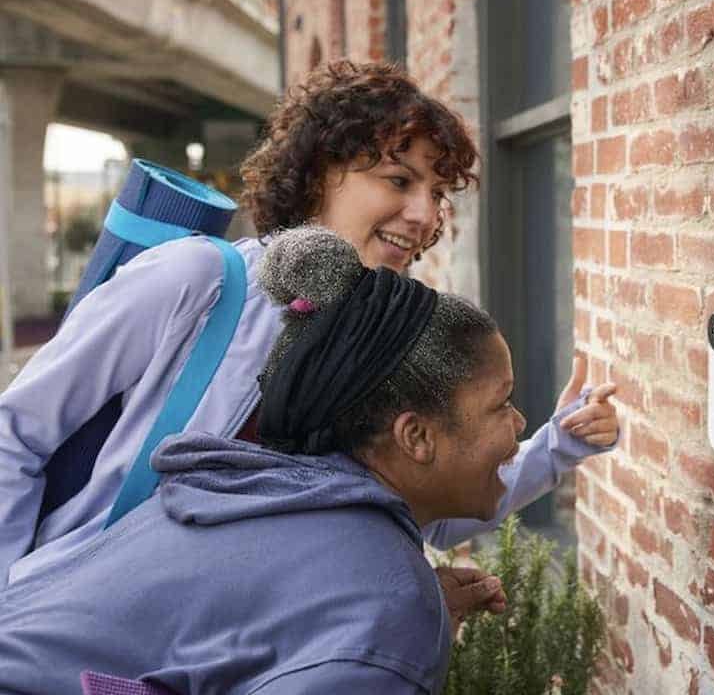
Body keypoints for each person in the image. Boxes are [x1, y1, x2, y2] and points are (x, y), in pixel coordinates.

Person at [0, 60, 619, 597]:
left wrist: (556, 448)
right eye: (399, 181)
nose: (425, 214)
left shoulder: (384, 343)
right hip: (77, 629)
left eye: (438, 193)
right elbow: (17, 434)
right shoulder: (199, 281)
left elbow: (420, 507)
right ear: (321, 172)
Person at [0, 226, 562, 693]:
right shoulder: (384, 611)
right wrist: (385, 636)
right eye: (501, 403)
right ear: (415, 436)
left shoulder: (244, 487)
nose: (519, 423)